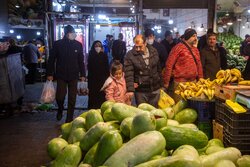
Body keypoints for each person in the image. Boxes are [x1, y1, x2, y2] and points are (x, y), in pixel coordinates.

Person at [47, 25, 86, 122]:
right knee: (60, 97)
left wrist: (83, 75)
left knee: (72, 98)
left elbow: (81, 61)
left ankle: (69, 119)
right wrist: (49, 73)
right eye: (71, 33)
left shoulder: (78, 45)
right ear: (66, 34)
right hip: (61, 75)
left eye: (74, 33)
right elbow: (51, 59)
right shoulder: (58, 44)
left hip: (74, 75)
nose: (73, 34)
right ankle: (60, 109)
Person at [163, 28, 203, 101]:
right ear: (188, 36)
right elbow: (169, 65)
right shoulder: (177, 48)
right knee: (179, 106)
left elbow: (199, 65)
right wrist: (166, 82)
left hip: (193, 83)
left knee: (192, 107)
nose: (196, 38)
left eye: (196, 36)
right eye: (193, 36)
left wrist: (201, 80)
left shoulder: (195, 50)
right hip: (180, 84)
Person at [124, 34, 163, 107]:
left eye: (140, 46)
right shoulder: (130, 55)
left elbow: (158, 69)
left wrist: (162, 85)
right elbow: (129, 73)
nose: (138, 49)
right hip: (141, 91)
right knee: (142, 114)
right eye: (136, 47)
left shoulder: (153, 51)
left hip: (155, 89)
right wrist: (130, 90)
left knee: (155, 112)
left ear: (145, 43)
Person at [88, 40, 110, 109]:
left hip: (102, 79)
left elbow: (107, 67)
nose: (98, 47)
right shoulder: (91, 54)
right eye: (96, 46)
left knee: (101, 96)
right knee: (93, 96)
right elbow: (89, 67)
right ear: (93, 47)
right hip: (93, 80)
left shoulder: (104, 55)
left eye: (99, 46)